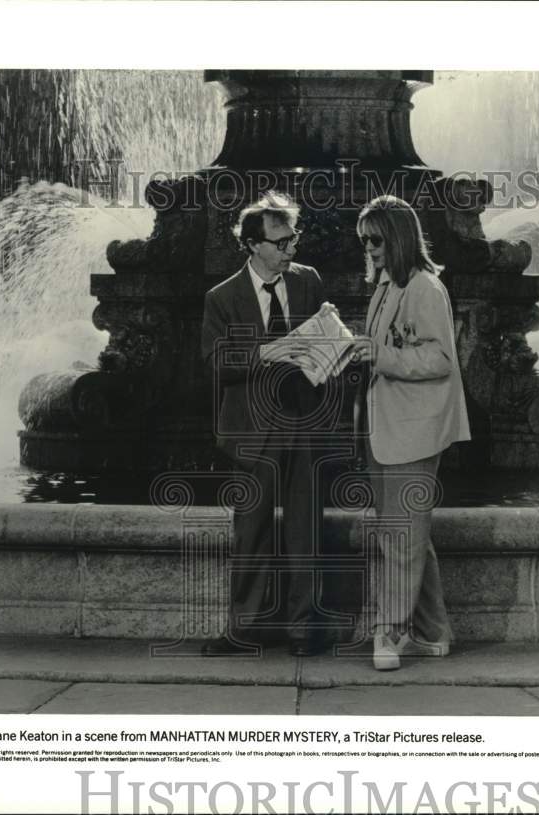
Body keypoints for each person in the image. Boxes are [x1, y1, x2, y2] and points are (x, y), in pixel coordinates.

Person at [200, 192, 330, 658]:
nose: (291, 247)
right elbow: (215, 359)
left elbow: (323, 335)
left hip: (303, 423)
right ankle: (244, 629)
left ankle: (304, 630)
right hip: (251, 431)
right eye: (280, 241)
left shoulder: (308, 282)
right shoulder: (222, 297)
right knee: (249, 532)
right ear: (253, 245)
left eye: (293, 237)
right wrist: (263, 353)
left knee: (305, 531)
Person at [350, 195, 470, 671]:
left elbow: (442, 359)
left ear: (398, 238)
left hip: (413, 433)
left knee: (400, 534)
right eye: (364, 240)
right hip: (388, 429)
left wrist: (379, 357)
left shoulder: (425, 288)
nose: (369, 248)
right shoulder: (386, 287)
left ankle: (391, 632)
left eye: (375, 239)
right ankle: (435, 632)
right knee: (408, 534)